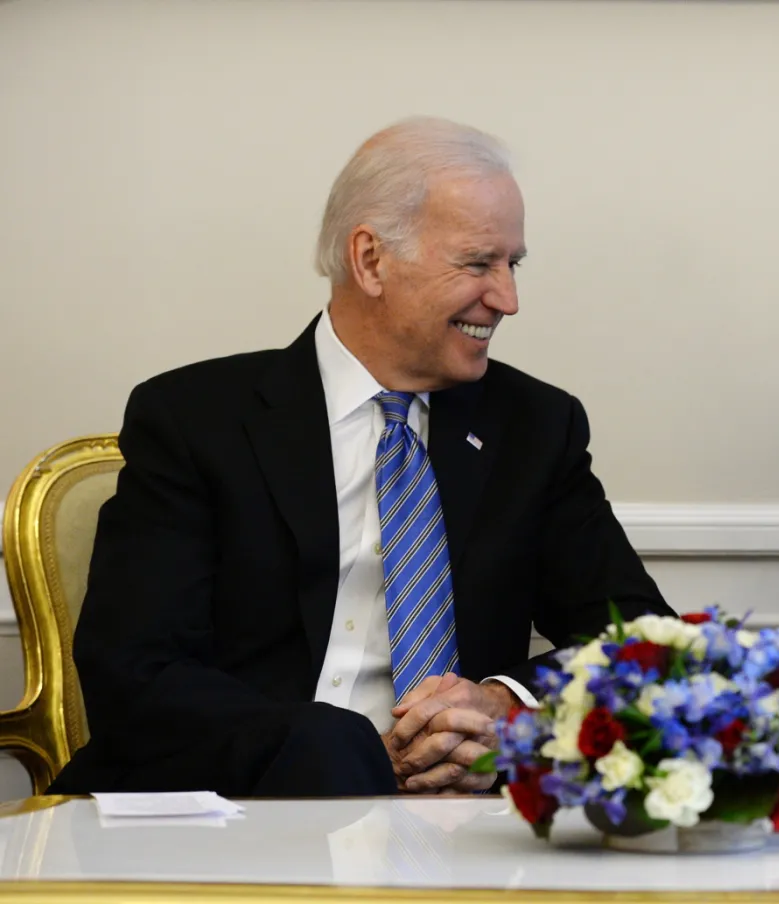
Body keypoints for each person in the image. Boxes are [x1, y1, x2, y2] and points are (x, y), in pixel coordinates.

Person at [49, 117, 670, 797]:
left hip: (461, 825)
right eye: (477, 263)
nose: (507, 299)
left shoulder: (535, 427)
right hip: (244, 809)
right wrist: (358, 753)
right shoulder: (195, 420)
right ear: (371, 260)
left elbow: (642, 642)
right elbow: (135, 671)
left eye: (512, 263)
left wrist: (507, 703)